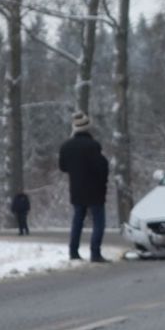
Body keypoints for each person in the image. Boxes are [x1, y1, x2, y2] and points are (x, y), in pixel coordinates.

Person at [59, 111, 110, 262]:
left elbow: (62, 167)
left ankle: (73, 251)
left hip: (76, 188)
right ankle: (95, 252)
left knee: (77, 220)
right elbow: (101, 167)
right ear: (88, 128)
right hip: (95, 189)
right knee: (98, 221)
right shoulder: (93, 146)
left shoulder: (66, 146)